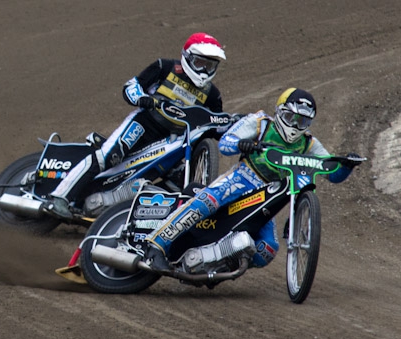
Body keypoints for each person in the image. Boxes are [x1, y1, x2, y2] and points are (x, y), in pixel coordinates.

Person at [144, 87, 362, 269]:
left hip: (268, 194)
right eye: (290, 117)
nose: (295, 126)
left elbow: (332, 173)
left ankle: (215, 262)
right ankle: (156, 245)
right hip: (242, 178)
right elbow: (225, 143)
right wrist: (243, 144)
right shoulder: (260, 123)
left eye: (302, 122)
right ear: (279, 111)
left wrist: (346, 166)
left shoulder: (309, 143)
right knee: (207, 200)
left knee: (267, 249)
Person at [49, 32, 227, 217]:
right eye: (200, 63)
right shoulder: (165, 67)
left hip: (173, 140)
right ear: (188, 57)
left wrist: (238, 127)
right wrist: (142, 98)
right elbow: (131, 86)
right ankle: (59, 197)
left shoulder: (212, 94)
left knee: (177, 178)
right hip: (145, 124)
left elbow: (216, 124)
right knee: (108, 156)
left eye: (210, 65)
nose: (205, 70)